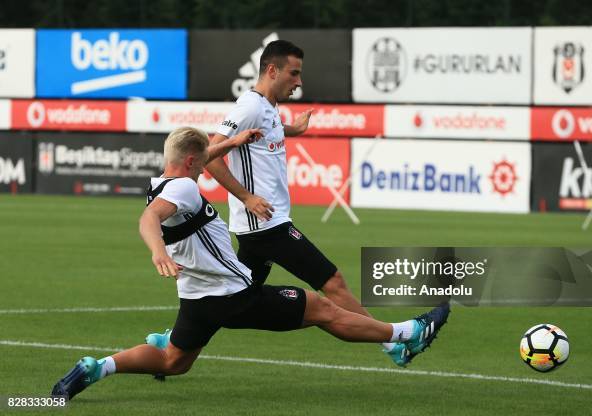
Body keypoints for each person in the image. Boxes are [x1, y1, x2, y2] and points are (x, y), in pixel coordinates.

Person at [51, 127, 450, 401]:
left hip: (196, 298)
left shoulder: (163, 180)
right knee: (322, 308)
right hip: (232, 294)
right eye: (201, 162)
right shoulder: (185, 188)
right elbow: (149, 219)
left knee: (174, 360)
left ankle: (97, 367)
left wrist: (235, 141)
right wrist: (157, 250)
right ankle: (405, 334)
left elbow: (193, 166)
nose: (206, 166)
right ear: (191, 164)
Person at [201, 39, 409, 364]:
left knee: (232, 299)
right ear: (272, 70)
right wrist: (246, 196)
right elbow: (210, 155)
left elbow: (264, 131)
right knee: (333, 281)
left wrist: (290, 131)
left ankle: (171, 339)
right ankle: (392, 342)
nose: (298, 82)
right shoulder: (250, 105)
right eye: (294, 74)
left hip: (260, 227)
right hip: (267, 226)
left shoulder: (267, 108)